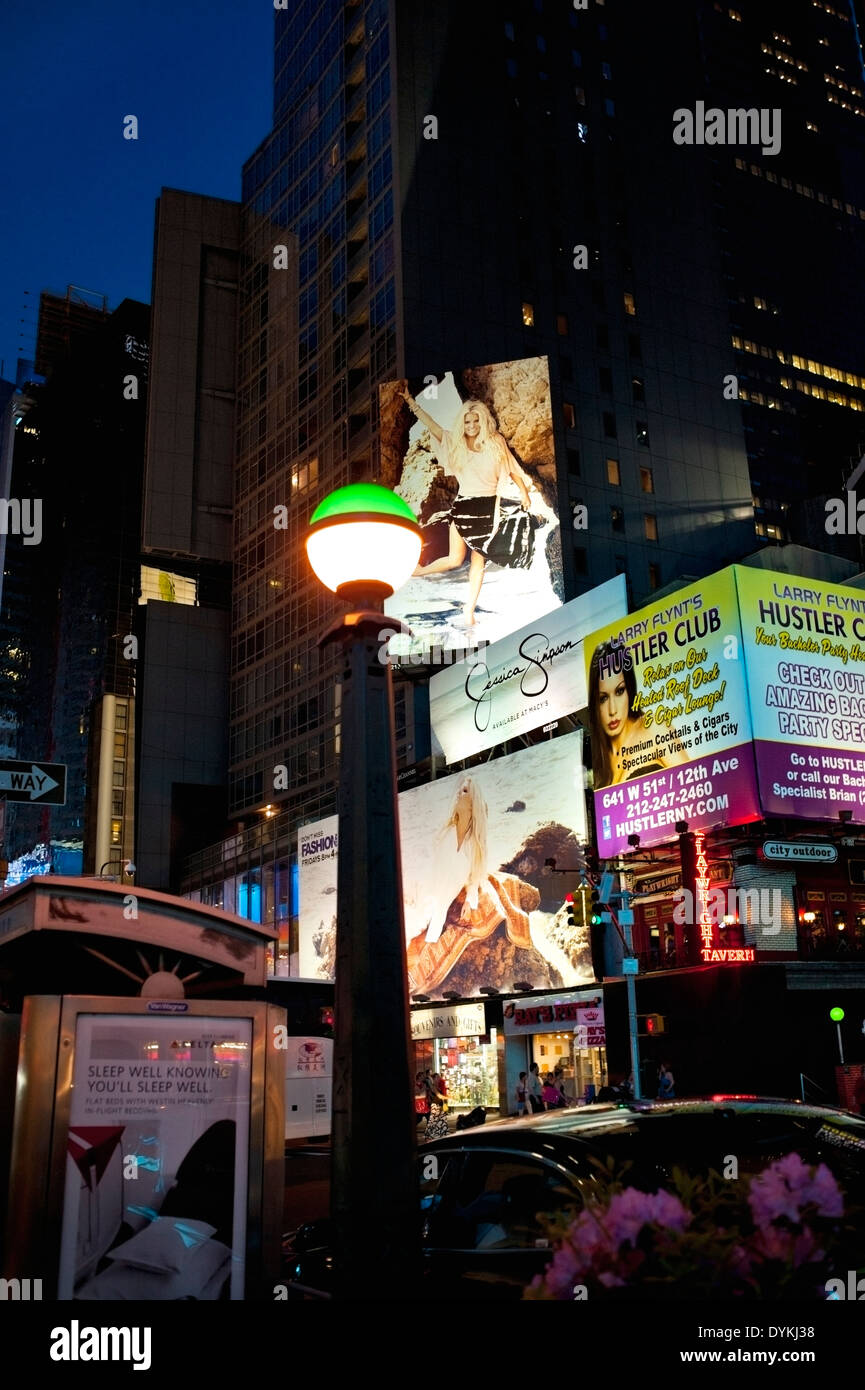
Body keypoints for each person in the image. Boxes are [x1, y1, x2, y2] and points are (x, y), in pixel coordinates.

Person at [399, 389, 537, 628]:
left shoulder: (495, 442)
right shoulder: (456, 443)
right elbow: (433, 426)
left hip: (488, 510)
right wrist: (412, 402)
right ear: (462, 423)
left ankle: (469, 609)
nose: (472, 425)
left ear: (482, 421)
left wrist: (525, 493)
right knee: (454, 560)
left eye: (475, 420)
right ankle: (418, 572)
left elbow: (512, 468)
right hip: (463, 508)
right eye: (467, 421)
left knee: (479, 563)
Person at [405, 776, 540, 996]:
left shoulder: (474, 841)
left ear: (473, 801)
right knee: (414, 926)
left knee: (430, 931)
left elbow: (475, 874)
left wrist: (470, 899)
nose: (460, 793)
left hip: (447, 894)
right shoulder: (444, 832)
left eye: (465, 791)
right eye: (459, 790)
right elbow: (427, 864)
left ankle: (416, 979)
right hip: (429, 889)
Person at [588, 639, 689, 789]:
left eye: (619, 691)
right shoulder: (599, 762)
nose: (612, 710)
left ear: (629, 689)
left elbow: (695, 784)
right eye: (603, 698)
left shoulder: (653, 728)